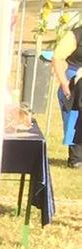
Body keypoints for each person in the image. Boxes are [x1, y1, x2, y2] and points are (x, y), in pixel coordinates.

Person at [54, 21, 82, 167]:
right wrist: (64, 83)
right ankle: (76, 159)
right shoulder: (75, 35)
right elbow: (57, 57)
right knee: (74, 119)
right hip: (75, 81)